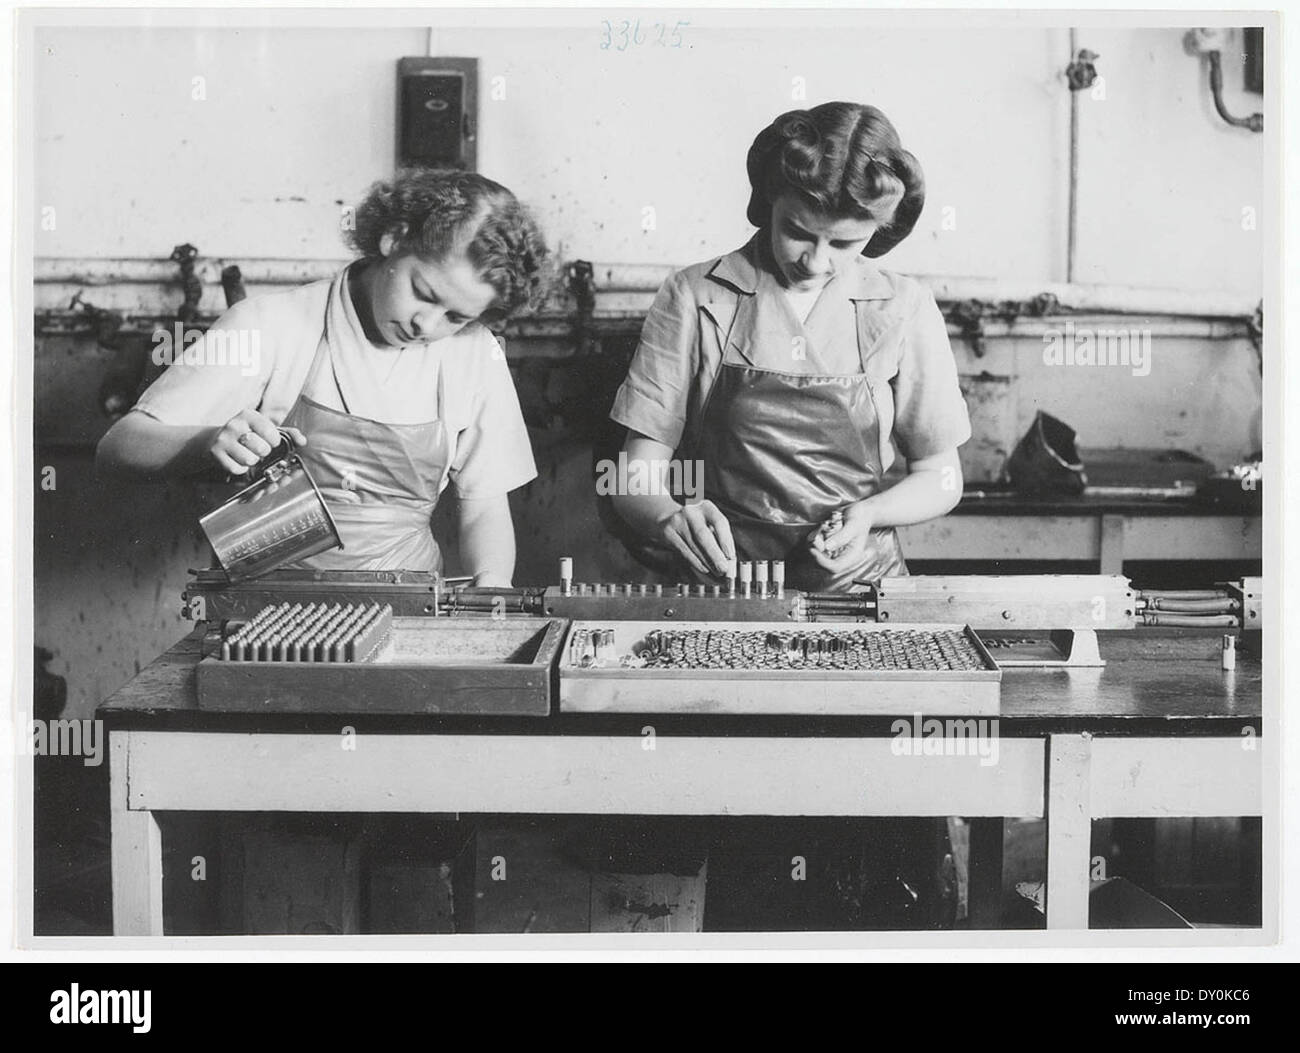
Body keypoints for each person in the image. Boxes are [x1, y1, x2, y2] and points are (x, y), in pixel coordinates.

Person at [97, 169, 547, 586]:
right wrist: (204, 442)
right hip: (266, 616)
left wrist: (491, 599)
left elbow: (484, 505)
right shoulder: (269, 325)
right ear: (394, 238)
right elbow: (118, 447)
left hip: (409, 611)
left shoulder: (475, 352)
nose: (426, 326)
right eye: (423, 293)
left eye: (455, 316)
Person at [609, 102, 970, 591]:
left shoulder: (904, 306)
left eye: (844, 244)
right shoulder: (696, 295)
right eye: (797, 232)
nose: (816, 262)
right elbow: (634, 477)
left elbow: (942, 478)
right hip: (725, 590)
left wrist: (870, 514)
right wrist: (667, 517)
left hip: (862, 590)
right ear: (767, 203)